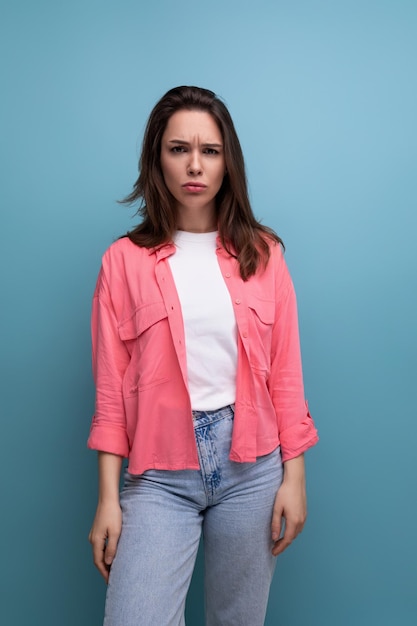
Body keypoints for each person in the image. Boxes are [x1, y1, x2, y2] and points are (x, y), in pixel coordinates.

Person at [88, 85, 318, 626]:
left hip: (254, 468)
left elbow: (285, 374)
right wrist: (107, 498)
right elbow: (109, 390)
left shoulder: (264, 254)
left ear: (227, 161)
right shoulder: (123, 263)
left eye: (210, 151)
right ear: (156, 159)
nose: (195, 165)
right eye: (178, 149)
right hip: (159, 472)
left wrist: (295, 476)